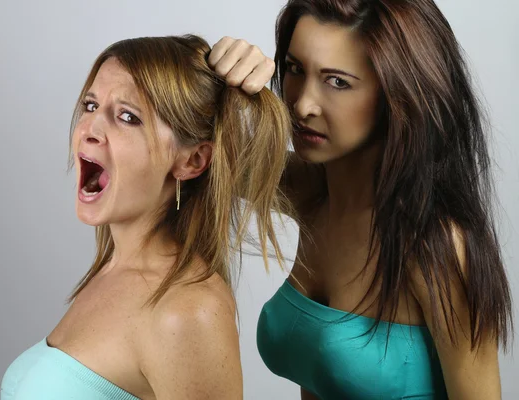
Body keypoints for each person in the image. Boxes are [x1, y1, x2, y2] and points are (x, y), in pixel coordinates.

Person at [209, 0, 513, 399]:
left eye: (337, 81)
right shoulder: (312, 191)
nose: (301, 105)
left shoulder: (431, 245)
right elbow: (198, 155)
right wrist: (218, 74)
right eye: (295, 69)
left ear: (399, 94)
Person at [0, 34, 292, 400]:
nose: (90, 130)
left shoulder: (188, 311)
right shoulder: (111, 270)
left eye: (127, 116)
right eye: (91, 106)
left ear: (192, 161)